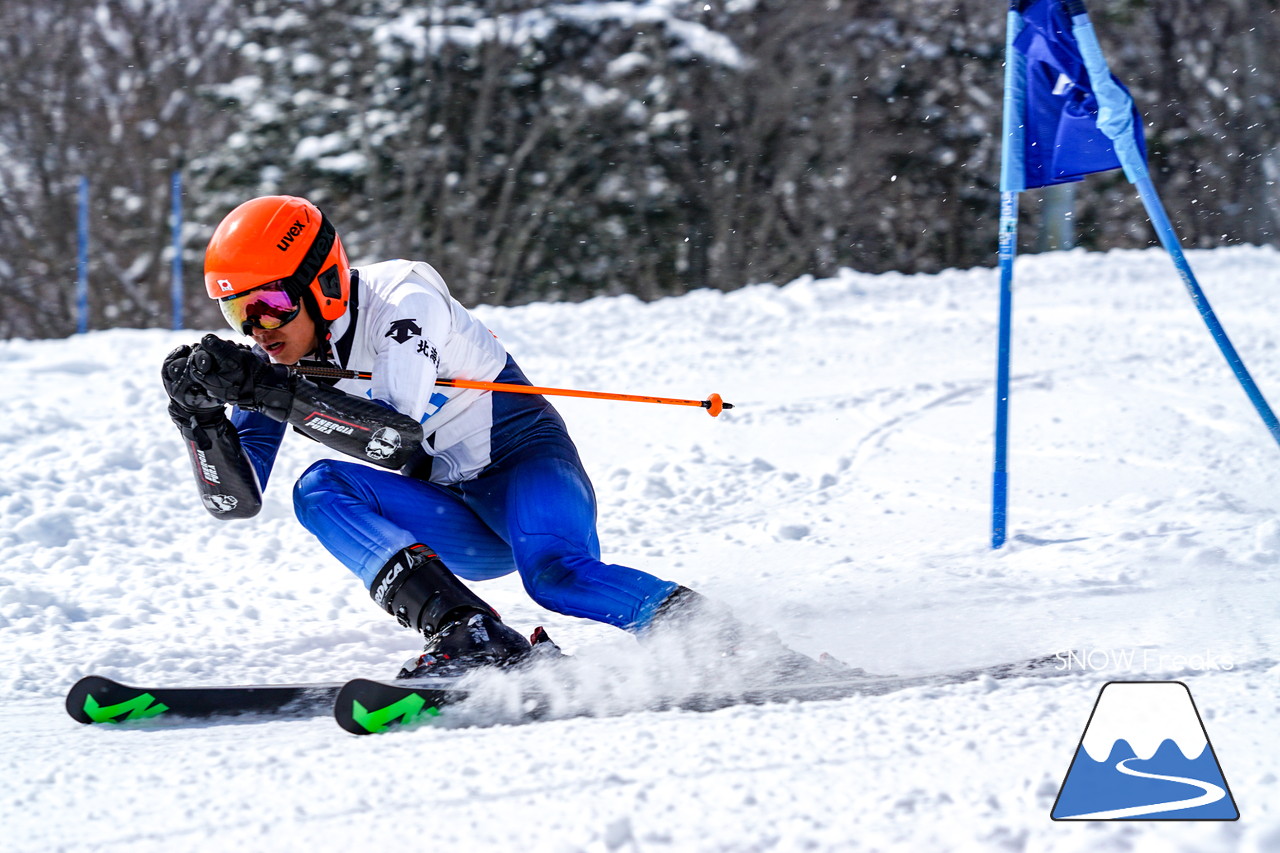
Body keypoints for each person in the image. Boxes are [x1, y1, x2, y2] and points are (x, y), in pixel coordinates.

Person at [161, 194, 750, 679]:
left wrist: (272, 392)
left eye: (270, 304)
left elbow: (391, 438)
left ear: (324, 284)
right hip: (459, 509)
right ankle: (469, 631)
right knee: (318, 489)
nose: (258, 329)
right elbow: (233, 502)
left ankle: (722, 638)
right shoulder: (284, 362)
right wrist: (201, 419)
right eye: (238, 314)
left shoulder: (403, 302)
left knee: (556, 578)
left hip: (527, 470)